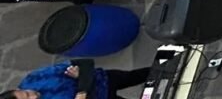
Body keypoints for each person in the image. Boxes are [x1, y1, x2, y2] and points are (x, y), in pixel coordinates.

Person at [4, 59, 149, 99]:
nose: (34, 97)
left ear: (18, 89)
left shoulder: (35, 78)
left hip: (103, 79)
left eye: (27, 94)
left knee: (139, 75)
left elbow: (83, 64)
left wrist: (82, 89)